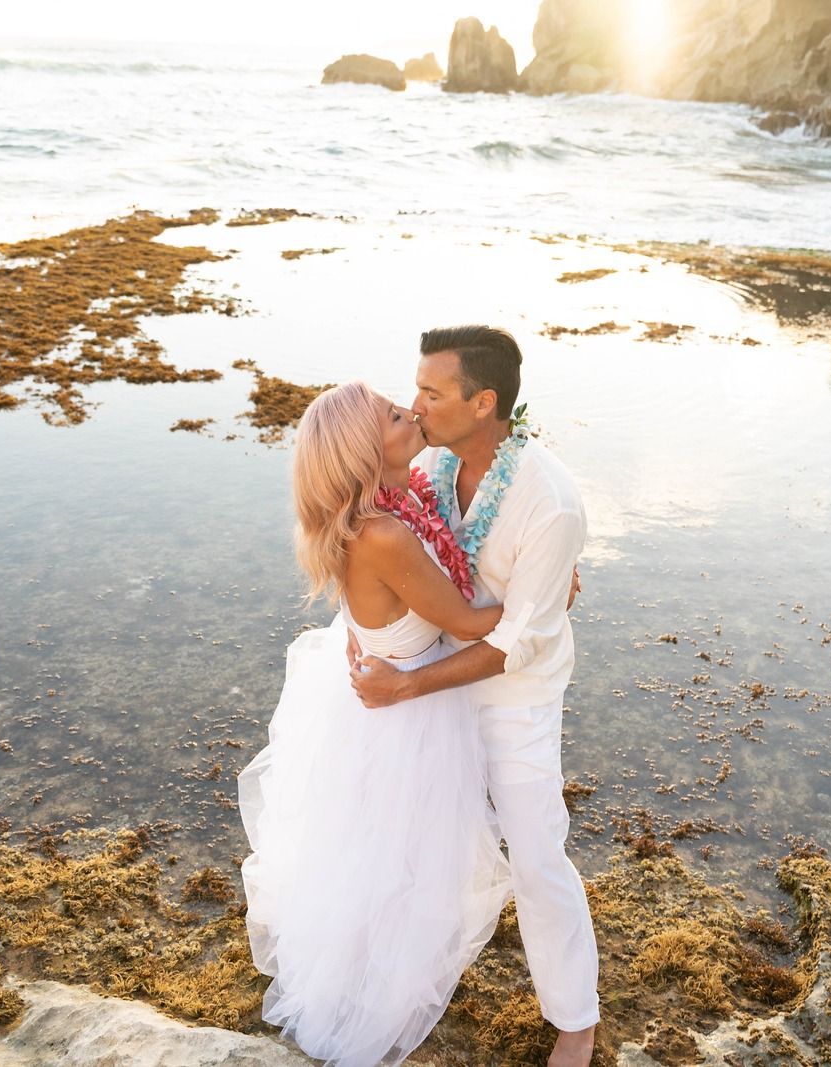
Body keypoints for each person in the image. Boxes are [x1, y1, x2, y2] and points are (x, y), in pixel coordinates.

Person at [237, 380, 513, 1066]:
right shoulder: (385, 531)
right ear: (368, 451)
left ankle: (364, 962)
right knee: (399, 856)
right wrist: (547, 586)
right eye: (394, 415)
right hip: (405, 715)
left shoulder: (403, 497)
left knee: (373, 847)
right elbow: (472, 621)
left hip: (378, 689)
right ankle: (366, 996)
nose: (411, 412)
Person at [350, 326, 600, 1067]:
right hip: (433, 678)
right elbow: (391, 554)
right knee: (421, 839)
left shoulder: (550, 503)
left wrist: (404, 684)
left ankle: (576, 1018)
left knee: (534, 852)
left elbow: (513, 644)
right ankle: (412, 970)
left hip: (513, 694)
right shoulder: (433, 456)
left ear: (483, 401)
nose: (415, 405)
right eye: (416, 389)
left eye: (432, 392)